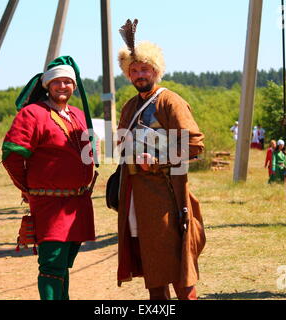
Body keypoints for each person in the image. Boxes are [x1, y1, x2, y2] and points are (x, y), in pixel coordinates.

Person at [115, 19, 206, 300]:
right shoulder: (130, 106)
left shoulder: (170, 102)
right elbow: (123, 146)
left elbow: (194, 144)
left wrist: (156, 160)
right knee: (151, 266)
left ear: (156, 70)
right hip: (136, 197)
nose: (140, 74)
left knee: (179, 266)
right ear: (128, 75)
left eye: (145, 69)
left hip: (167, 195)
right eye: (134, 70)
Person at [1, 57, 97, 300]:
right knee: (51, 266)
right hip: (50, 205)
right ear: (47, 85)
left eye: (67, 82)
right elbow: (12, 155)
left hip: (78, 205)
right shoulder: (32, 113)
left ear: (74, 86)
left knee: (63, 264)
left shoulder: (77, 114)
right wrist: (28, 187)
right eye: (57, 82)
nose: (62, 86)